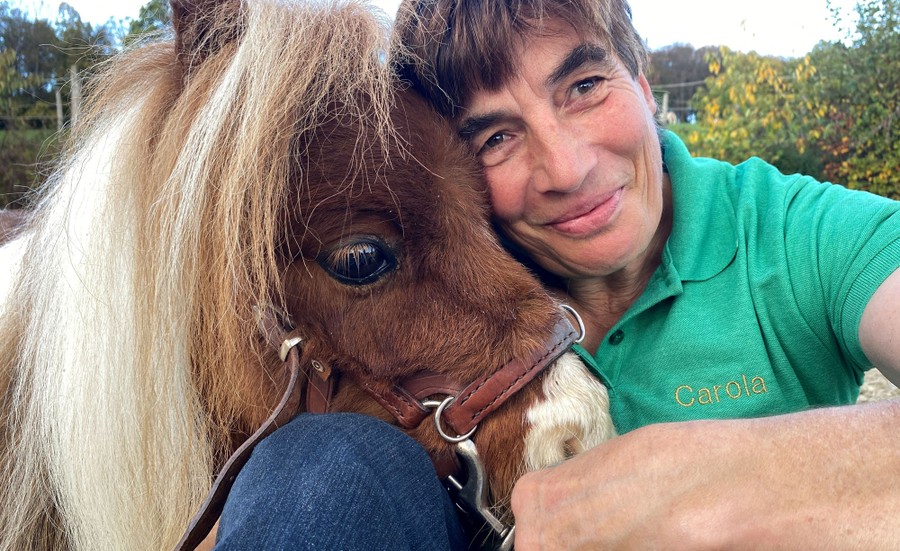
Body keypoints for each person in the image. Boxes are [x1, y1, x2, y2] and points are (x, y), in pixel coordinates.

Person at [216, 0, 900, 548]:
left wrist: (727, 478)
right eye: (497, 137)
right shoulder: (452, 270)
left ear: (642, 82)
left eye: (584, 86)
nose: (568, 170)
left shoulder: (798, 231)